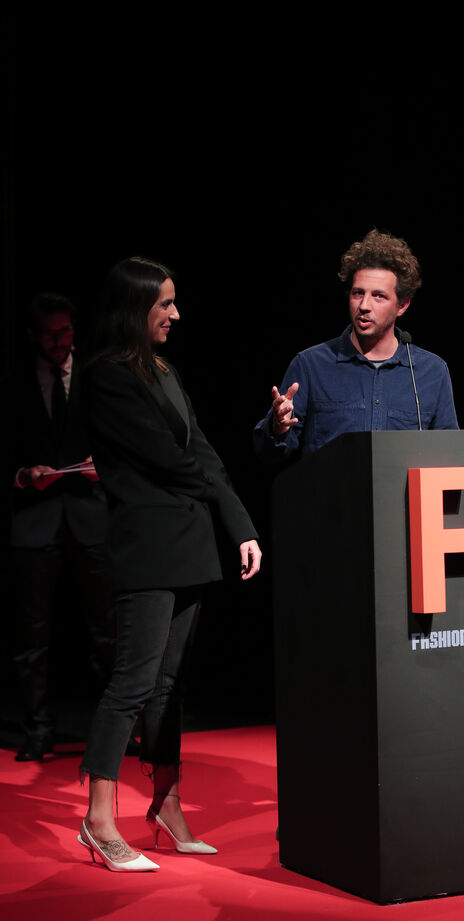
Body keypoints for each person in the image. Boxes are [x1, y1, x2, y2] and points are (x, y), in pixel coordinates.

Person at [77, 257, 261, 872]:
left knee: (170, 687)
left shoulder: (164, 371)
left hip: (190, 544)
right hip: (147, 546)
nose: (176, 314)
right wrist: (209, 492)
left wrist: (240, 528)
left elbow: (204, 453)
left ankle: (166, 806)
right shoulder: (105, 377)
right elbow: (166, 460)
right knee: (132, 680)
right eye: (165, 304)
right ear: (136, 308)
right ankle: (99, 819)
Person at [7, 292, 113, 762]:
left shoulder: (94, 376)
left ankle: (116, 732)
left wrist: (101, 467)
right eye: (51, 333)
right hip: (35, 519)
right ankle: (38, 731)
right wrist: (22, 475)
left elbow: (119, 440)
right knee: (33, 637)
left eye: (66, 331)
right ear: (33, 335)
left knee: (107, 632)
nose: (60, 341)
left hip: (91, 515)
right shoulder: (15, 380)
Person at [253, 229, 458, 463]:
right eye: (358, 293)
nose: (364, 305)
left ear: (402, 305)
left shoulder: (431, 372)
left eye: (378, 296)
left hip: (401, 500)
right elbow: (267, 454)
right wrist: (277, 427)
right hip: (330, 499)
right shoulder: (311, 365)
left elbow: (449, 459)